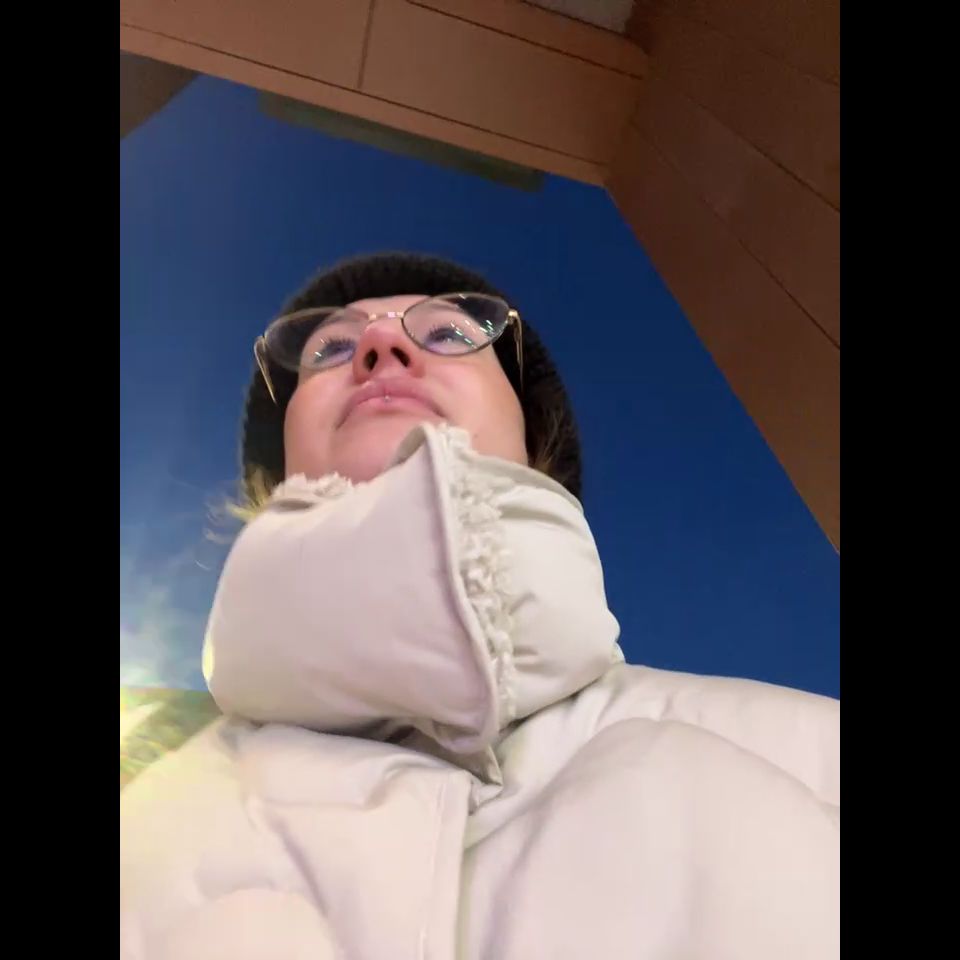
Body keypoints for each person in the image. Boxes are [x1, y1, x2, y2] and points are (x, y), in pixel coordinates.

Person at [120, 252, 839, 960]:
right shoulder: (143, 814)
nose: (380, 345)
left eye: (447, 333)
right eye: (330, 348)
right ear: (276, 468)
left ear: (532, 440)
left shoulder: (806, 755)